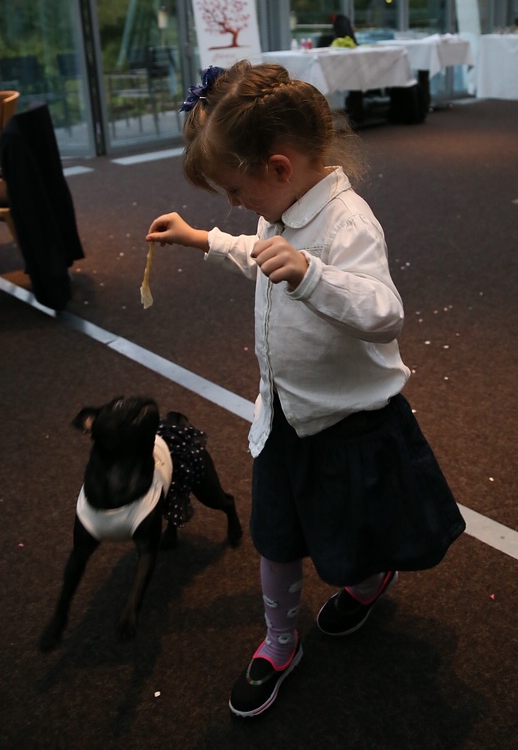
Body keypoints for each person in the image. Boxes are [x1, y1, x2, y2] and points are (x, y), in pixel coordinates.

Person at [146, 61, 465, 719]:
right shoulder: (280, 208)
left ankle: (369, 581)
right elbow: (257, 257)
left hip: (349, 425)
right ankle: (279, 640)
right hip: (282, 420)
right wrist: (201, 238)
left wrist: (312, 275)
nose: (236, 203)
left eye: (236, 190)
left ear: (279, 168)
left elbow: (384, 311)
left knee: (354, 534)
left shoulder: (347, 222)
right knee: (276, 537)